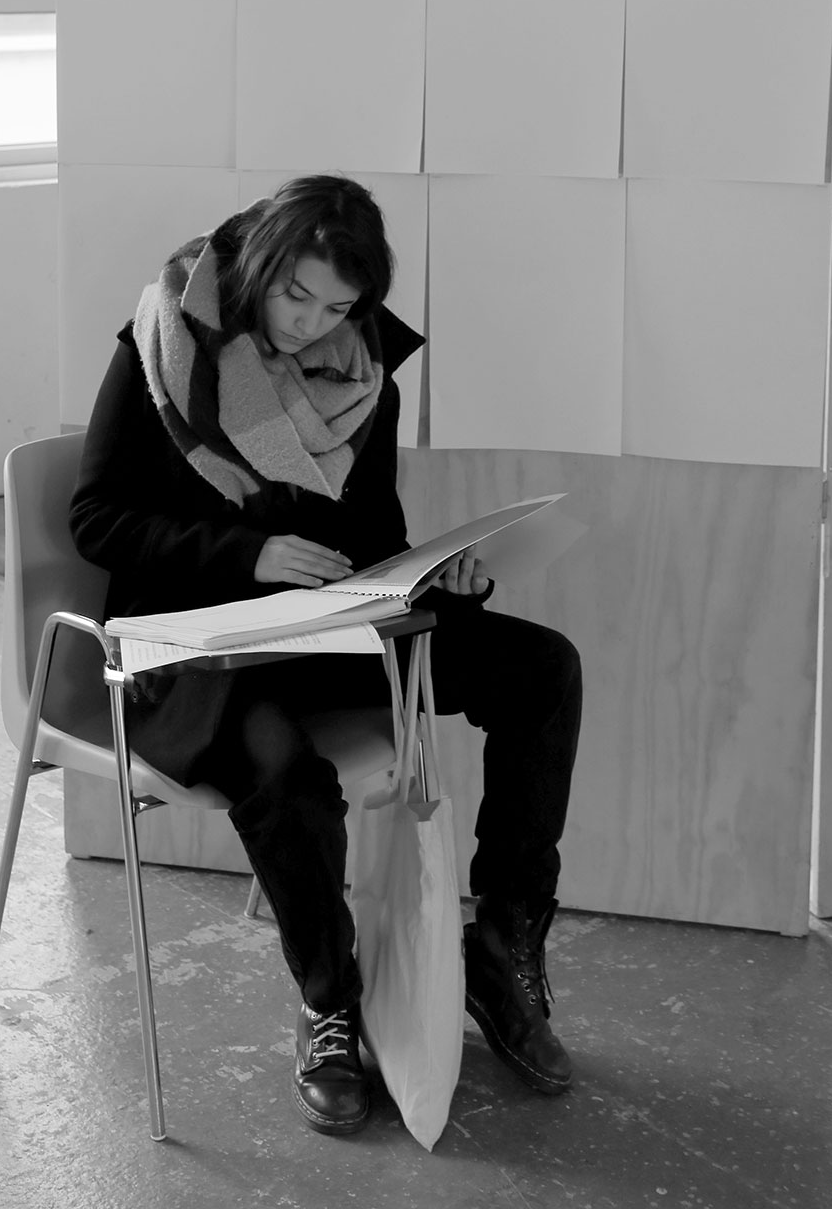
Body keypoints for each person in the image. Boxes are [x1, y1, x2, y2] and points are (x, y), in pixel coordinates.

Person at [69, 174, 582, 1136]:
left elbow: (371, 532)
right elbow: (95, 518)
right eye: (294, 295)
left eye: (338, 307)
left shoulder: (361, 367)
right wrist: (248, 553)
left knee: (540, 669)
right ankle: (327, 1002)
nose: (311, 324)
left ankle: (502, 948)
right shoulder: (163, 344)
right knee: (282, 772)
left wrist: (435, 577)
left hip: (324, 625)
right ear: (257, 268)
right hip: (199, 645)